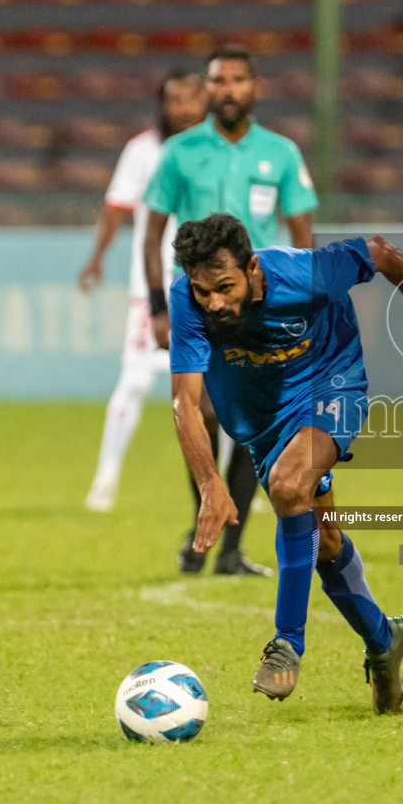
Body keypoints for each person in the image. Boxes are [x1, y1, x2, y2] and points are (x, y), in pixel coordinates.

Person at [167, 213, 403, 713]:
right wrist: (210, 482)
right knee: (325, 542)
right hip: (263, 419)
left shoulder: (304, 275)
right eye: (202, 290)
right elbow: (185, 403)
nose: (214, 302)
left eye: (225, 287)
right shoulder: (187, 301)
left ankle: (286, 644)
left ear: (253, 268)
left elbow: (381, 251)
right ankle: (385, 641)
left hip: (331, 382)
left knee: (288, 484)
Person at [142, 43, 318, 578]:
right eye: (217, 81)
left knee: (252, 424)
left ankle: (231, 549)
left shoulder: (282, 153)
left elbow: (302, 232)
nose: (227, 90)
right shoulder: (178, 152)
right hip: (198, 306)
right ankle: (207, 515)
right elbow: (150, 236)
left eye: (237, 80)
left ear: (255, 88)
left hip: (259, 307)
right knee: (201, 412)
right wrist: (157, 307)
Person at [77, 70, 213, 536]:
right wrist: (97, 258)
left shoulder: (221, 151)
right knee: (135, 381)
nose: (183, 108)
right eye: (174, 100)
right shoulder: (143, 151)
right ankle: (106, 477)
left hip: (211, 288)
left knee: (224, 394)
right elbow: (117, 208)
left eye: (191, 98)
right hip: (151, 288)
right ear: (162, 104)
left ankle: (228, 489)